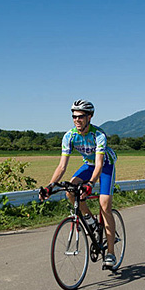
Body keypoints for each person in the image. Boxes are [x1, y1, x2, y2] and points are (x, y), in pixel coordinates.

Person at [39, 100, 119, 268]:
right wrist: (49, 186)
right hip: (88, 165)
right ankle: (90, 220)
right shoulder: (69, 136)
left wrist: (90, 183)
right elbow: (62, 166)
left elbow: (99, 164)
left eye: (81, 116)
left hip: (105, 166)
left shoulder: (98, 135)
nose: (77, 120)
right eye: (74, 116)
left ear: (89, 117)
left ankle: (110, 253)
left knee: (104, 205)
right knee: (70, 191)